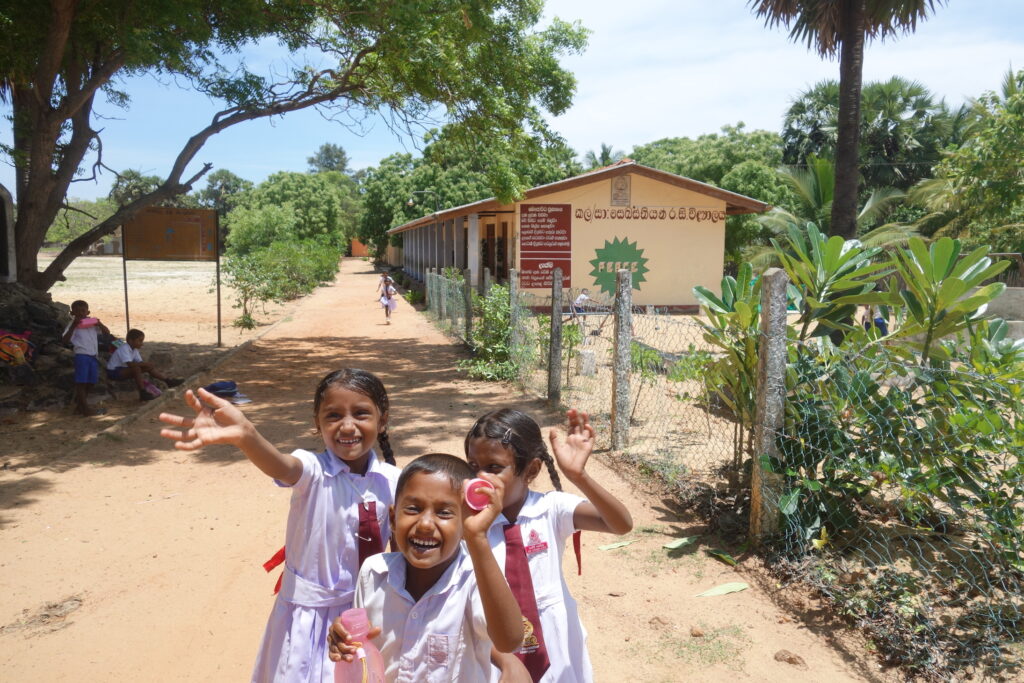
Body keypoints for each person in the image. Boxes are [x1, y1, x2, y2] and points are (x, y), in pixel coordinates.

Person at [158, 368, 400, 683]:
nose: (347, 425)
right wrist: (246, 435)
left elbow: (400, 559)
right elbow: (282, 466)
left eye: (361, 414)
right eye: (333, 415)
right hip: (306, 619)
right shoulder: (313, 471)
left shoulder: (394, 482)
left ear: (382, 421)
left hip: (364, 615)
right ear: (317, 423)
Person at [464, 408, 633, 683]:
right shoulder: (470, 524)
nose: (481, 477)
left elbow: (620, 524)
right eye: (473, 466)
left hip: (555, 640)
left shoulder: (551, 508)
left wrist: (578, 476)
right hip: (494, 643)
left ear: (531, 470)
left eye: (494, 467)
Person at [328, 453, 525, 682]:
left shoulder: (474, 579)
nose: (425, 524)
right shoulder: (373, 572)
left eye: (444, 512)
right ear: (392, 519)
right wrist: (344, 639)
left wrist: (477, 537)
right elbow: (361, 644)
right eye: (413, 509)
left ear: (464, 522)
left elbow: (509, 640)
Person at [61, 299, 111, 417]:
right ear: (72, 313)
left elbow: (107, 333)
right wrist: (74, 325)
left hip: (93, 356)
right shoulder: (72, 325)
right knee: (81, 383)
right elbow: (65, 340)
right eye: (77, 311)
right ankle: (86, 410)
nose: (80, 313)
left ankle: (80, 407)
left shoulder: (92, 323)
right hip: (81, 355)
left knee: (91, 382)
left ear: (88, 312)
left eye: (83, 311)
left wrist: (99, 323)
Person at [107, 328, 184, 402]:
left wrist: (148, 365)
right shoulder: (124, 348)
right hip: (114, 371)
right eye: (139, 341)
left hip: (123, 369)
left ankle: (168, 381)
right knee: (136, 369)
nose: (142, 343)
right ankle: (142, 392)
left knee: (146, 367)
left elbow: (140, 362)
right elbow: (130, 364)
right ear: (130, 341)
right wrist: (145, 364)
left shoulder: (134, 350)